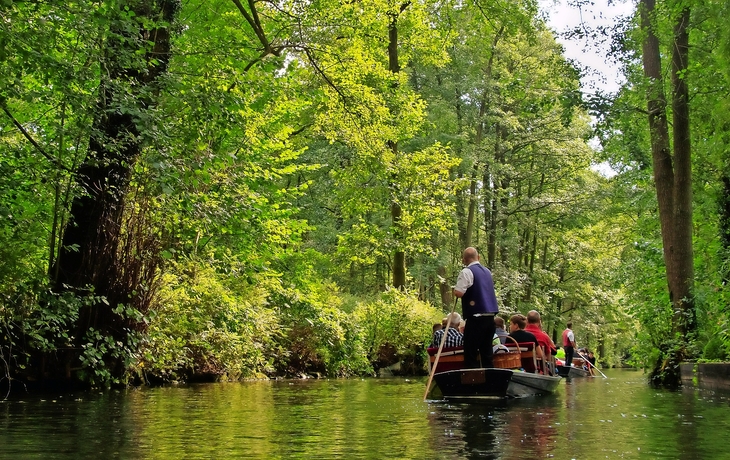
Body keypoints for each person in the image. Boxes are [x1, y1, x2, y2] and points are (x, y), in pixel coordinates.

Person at [452, 247, 499, 368]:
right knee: (487, 351)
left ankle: (472, 380)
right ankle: (490, 379)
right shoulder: (487, 272)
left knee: (470, 351)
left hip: (476, 319)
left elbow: (459, 293)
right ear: (478, 257)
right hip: (490, 318)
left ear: (464, 260)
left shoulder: (467, 272)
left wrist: (455, 290)